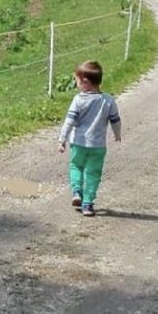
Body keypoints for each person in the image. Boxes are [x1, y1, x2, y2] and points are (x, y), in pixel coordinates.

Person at [58, 60, 122, 217]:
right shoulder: (108, 100)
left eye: (77, 80)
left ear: (85, 82)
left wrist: (62, 139)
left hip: (78, 143)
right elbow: (115, 120)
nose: (77, 83)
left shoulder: (78, 100)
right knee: (93, 173)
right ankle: (88, 204)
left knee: (76, 166)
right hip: (98, 146)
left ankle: (77, 191)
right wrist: (117, 134)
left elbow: (69, 121)